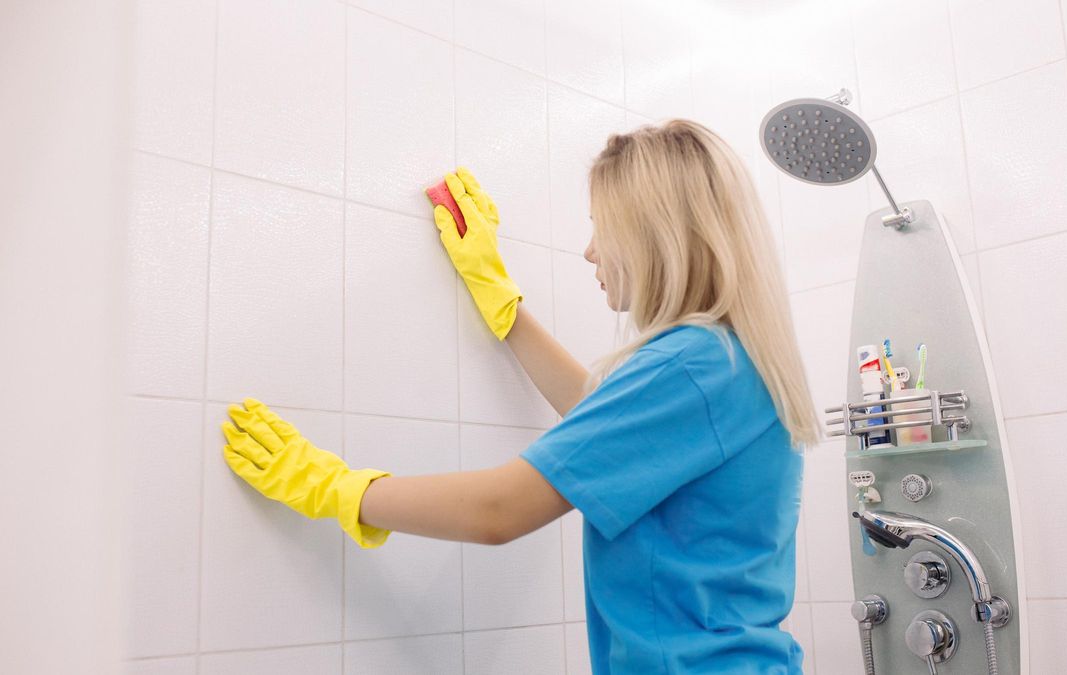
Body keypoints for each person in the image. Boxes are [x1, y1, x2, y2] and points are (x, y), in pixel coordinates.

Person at [221, 119, 820, 674]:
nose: (590, 250)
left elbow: (498, 511)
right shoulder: (730, 360)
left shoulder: (692, 363)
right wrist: (501, 301)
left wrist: (334, 488)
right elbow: (605, 421)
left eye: (598, 225)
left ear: (653, 232)